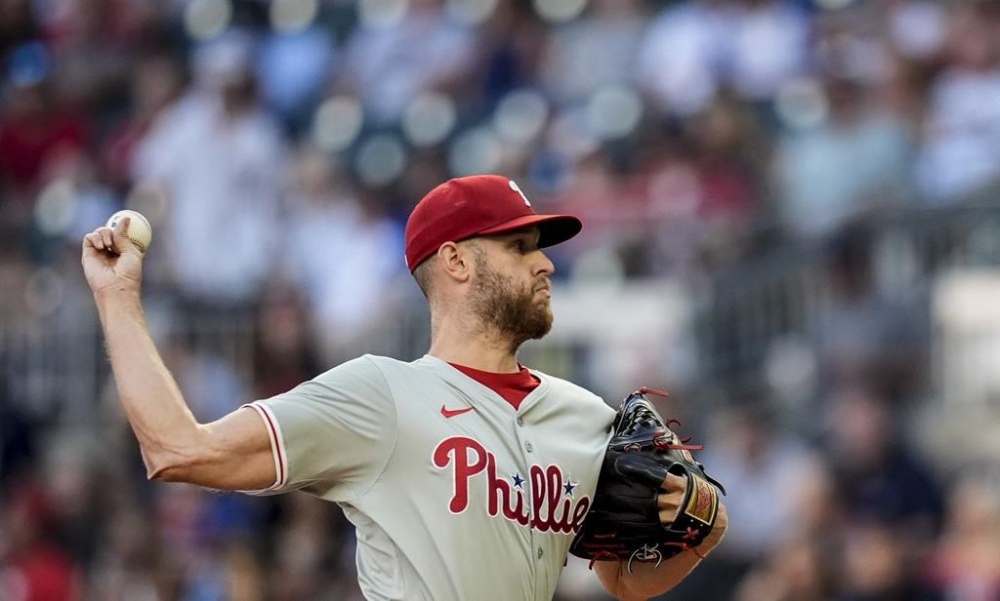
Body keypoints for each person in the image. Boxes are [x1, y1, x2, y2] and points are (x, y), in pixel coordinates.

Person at [80, 174, 728, 600]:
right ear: (455, 261)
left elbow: (622, 579)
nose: (546, 261)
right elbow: (178, 450)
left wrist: (707, 525)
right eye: (520, 246)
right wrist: (117, 297)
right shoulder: (380, 396)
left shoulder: (586, 415)